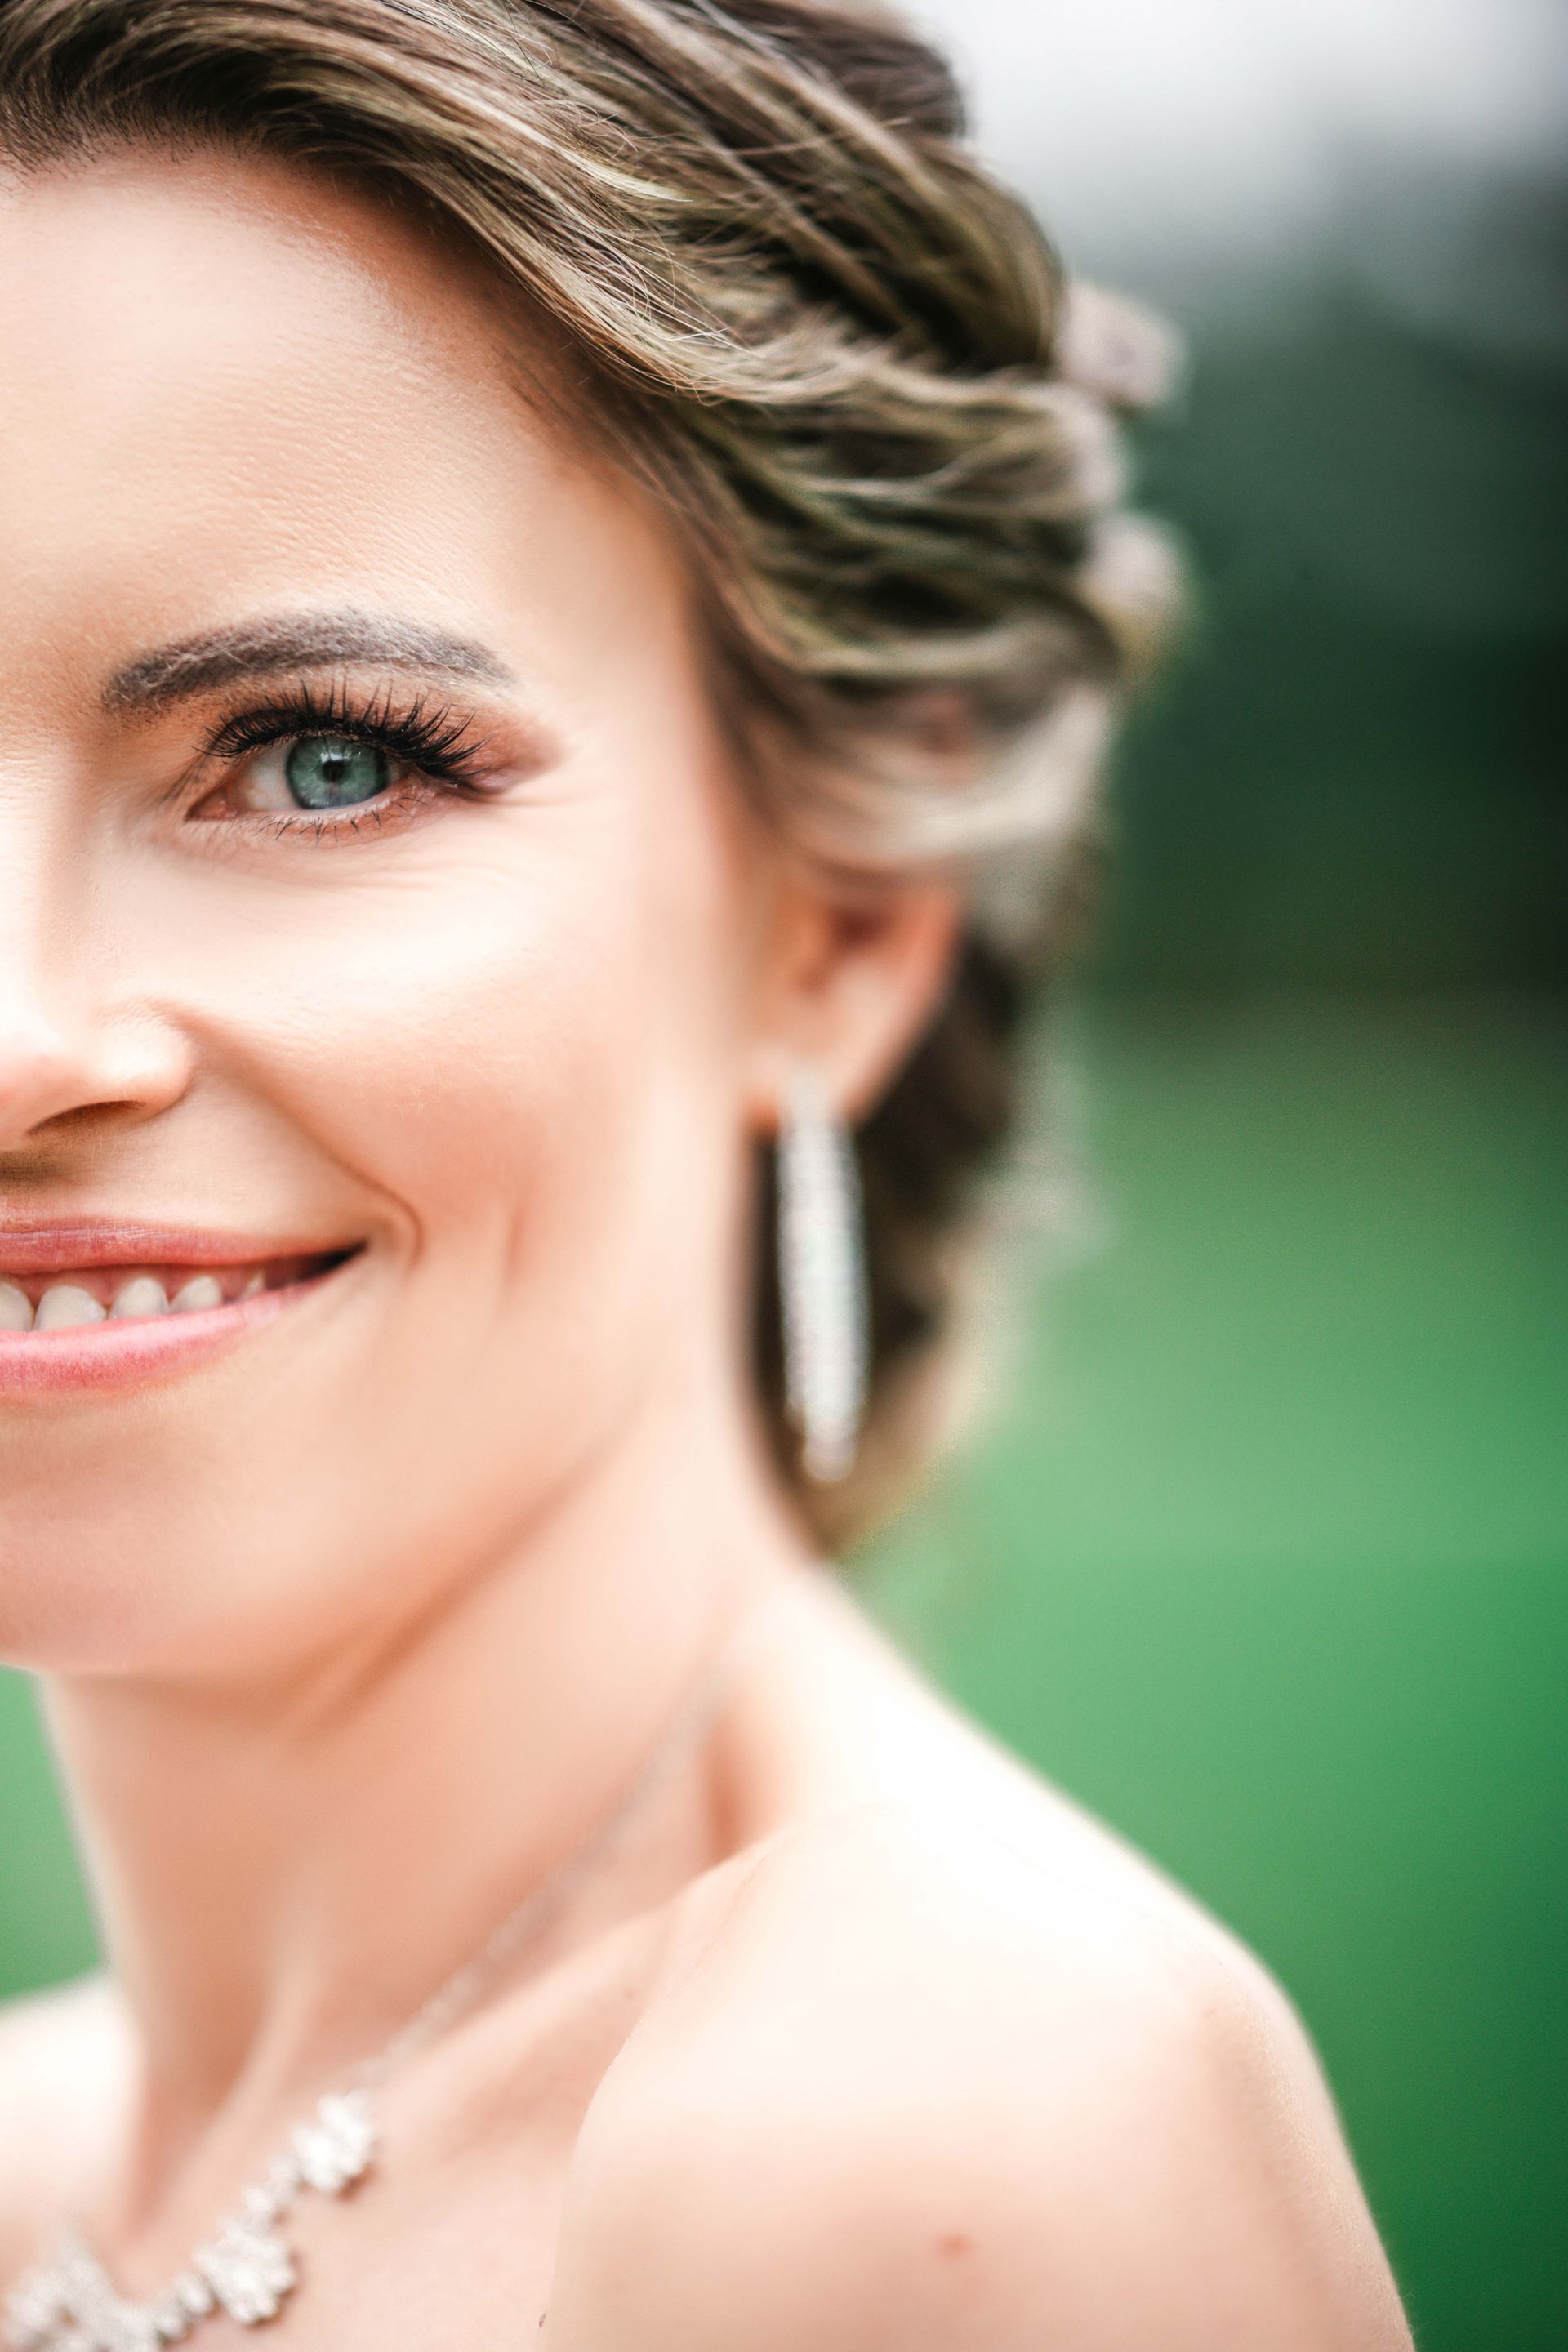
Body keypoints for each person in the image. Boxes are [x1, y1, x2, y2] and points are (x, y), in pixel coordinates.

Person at [0, 2, 1412, 2345]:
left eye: (324, 761)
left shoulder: (930, 2146)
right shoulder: (34, 2144)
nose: (15, 1036)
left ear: (835, 928)